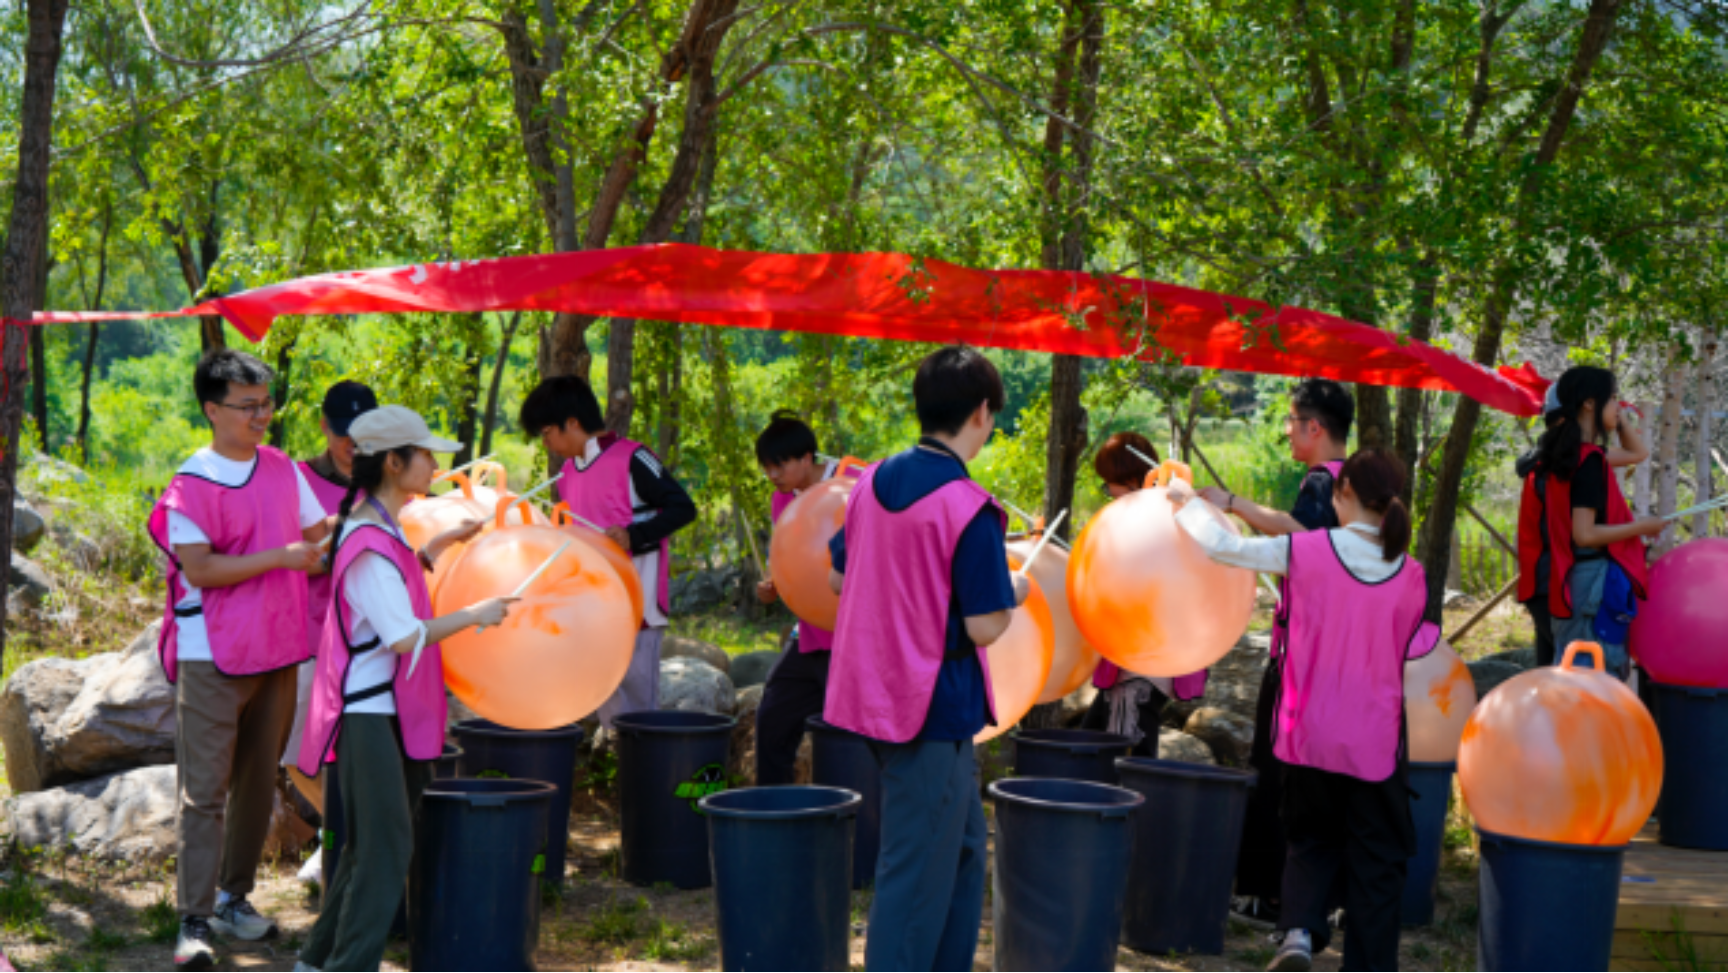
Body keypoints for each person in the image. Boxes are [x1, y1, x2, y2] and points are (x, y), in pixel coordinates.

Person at [1171, 449, 1429, 973]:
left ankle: (1299, 932)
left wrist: (1184, 502)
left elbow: (1224, 547)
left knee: (1309, 838)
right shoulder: (1411, 572)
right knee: (1378, 862)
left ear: (1344, 491)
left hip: (1310, 731)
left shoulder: (1307, 549)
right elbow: (1411, 645)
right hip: (1375, 741)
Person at [823, 345, 1029, 972]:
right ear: (982, 413)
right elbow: (985, 626)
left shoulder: (871, 481)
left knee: (963, 849)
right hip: (930, 708)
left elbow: (838, 578)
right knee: (914, 875)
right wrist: (1015, 590)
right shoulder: (969, 506)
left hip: (872, 693)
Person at [293, 406, 511, 973]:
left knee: (368, 849)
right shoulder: (367, 540)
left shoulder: (378, 527)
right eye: (425, 455)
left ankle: (315, 962)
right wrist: (476, 614)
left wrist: (439, 545)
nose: (435, 466)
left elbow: (394, 579)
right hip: (369, 715)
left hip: (384, 712)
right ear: (393, 462)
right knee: (386, 851)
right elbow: (402, 635)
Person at [147, 351, 332, 970]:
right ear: (212, 409)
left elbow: (317, 539)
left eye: (266, 403)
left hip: (278, 645)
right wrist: (280, 557)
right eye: (247, 405)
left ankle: (234, 899)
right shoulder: (192, 483)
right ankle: (193, 918)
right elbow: (200, 568)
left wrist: (376, 522)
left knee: (258, 781)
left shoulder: (281, 468)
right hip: (213, 654)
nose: (261, 415)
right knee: (204, 792)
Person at [1201, 378, 1353, 928]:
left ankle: (1268, 896)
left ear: (1314, 427)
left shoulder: (1322, 481)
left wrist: (1232, 504)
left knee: (1275, 770)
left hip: (1300, 658)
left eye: (1291, 421)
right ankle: (1315, 896)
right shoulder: (1355, 485)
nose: (1286, 431)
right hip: (1334, 656)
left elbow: (1298, 537)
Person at [518, 376, 697, 725]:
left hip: (638, 605)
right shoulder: (567, 473)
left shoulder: (633, 457)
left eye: (547, 433)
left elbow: (683, 507)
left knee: (640, 708)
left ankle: (644, 760)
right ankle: (617, 757)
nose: (546, 443)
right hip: (593, 608)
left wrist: (634, 535)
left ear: (572, 422)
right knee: (607, 700)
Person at [1515, 367, 1662, 679]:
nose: (1619, 406)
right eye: (1613, 398)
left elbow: (1638, 453)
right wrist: (1642, 527)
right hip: (1574, 582)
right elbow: (1584, 534)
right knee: (1587, 680)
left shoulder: (1563, 459)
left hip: (1554, 582)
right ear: (1588, 404)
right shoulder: (1585, 461)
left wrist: (1615, 418)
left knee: (1558, 676)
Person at [286, 381, 380, 827]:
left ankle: (354, 839)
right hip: (309, 640)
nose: (351, 444)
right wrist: (339, 554)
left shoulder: (391, 479)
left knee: (365, 753)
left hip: (375, 642)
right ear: (324, 425)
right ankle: (344, 832)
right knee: (297, 754)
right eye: (343, 432)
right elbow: (285, 563)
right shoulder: (296, 480)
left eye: (363, 432)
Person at [1079, 432, 1208, 756]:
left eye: (1109, 483)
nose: (1108, 492)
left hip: (1142, 663)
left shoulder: (1155, 522)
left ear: (1132, 480)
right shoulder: (1166, 514)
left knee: (1124, 760)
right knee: (1090, 746)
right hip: (1135, 660)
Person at [754, 411, 850, 786]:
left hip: (851, 639)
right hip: (808, 635)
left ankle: (848, 811)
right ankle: (773, 807)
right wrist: (771, 587)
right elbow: (787, 565)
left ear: (807, 458)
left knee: (845, 738)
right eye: (767, 467)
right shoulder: (782, 501)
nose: (772, 475)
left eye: (779, 465)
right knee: (772, 720)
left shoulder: (853, 483)